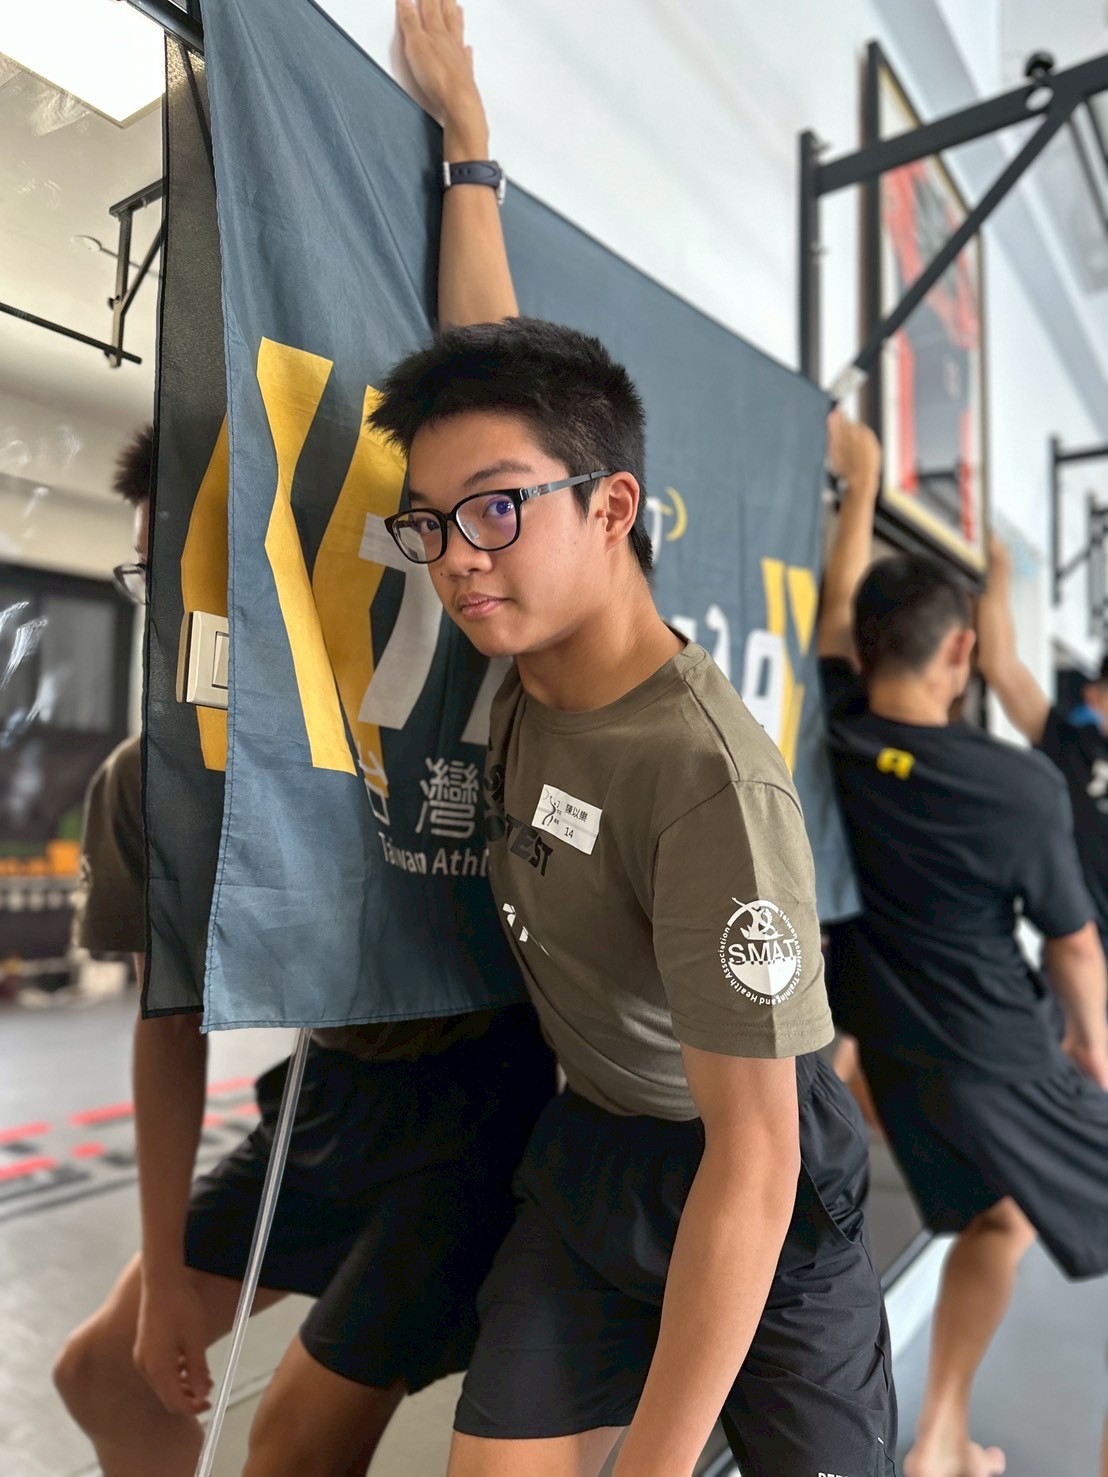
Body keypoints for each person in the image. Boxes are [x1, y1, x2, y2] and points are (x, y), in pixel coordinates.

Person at [54, 6, 555, 1476]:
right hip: (329, 1092)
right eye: (150, 571)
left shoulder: (415, 662)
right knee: (104, 1375)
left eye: (203, 559)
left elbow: (489, 404)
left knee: (291, 1443)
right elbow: (163, 1025)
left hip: (483, 1085)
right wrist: (163, 1274)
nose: (176, 596)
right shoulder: (145, 778)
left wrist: (468, 146)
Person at [369, 320, 896, 1477]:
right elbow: (490, 350)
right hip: (595, 1151)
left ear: (611, 508)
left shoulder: (707, 780)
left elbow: (754, 1159)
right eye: (430, 522)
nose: (456, 557)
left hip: (755, 1174)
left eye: (495, 508)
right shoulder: (523, 668)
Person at [817, 410, 1108, 1477]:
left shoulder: (835, 730)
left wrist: (861, 487)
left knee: (997, 1223)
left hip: (902, 1063)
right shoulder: (1020, 784)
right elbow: (1074, 948)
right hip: (1002, 1055)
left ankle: (939, 1438)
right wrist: (1093, 1051)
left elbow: (833, 615)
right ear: (960, 652)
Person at [978, 532, 1108, 959]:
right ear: (1095, 697)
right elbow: (1000, 665)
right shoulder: (1073, 748)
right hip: (1085, 960)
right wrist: (1000, 571)